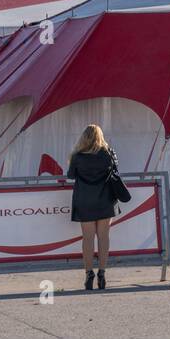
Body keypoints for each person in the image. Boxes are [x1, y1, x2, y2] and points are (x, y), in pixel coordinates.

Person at [67, 124, 119, 291]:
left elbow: (70, 176)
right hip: (105, 199)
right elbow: (116, 171)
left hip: (84, 200)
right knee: (104, 237)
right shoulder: (107, 154)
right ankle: (102, 274)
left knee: (87, 238)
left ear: (84, 138)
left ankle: (89, 275)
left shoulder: (77, 156)